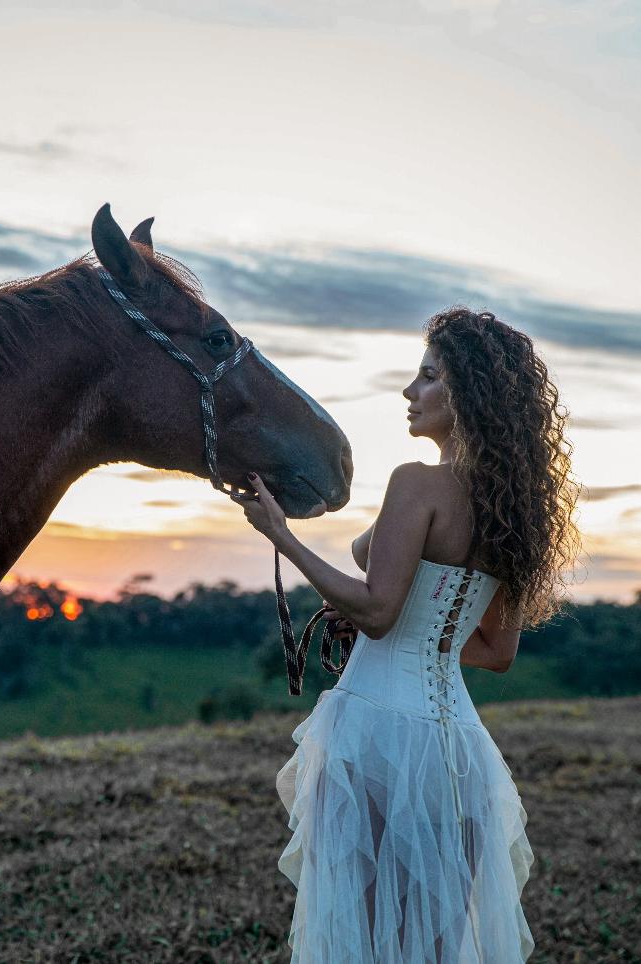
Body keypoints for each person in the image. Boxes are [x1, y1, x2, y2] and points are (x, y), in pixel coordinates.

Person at [229, 306, 581, 963]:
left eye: (427, 378)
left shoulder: (417, 484)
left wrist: (283, 536)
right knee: (440, 946)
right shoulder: (516, 512)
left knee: (362, 939)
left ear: (466, 393)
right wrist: (399, 634)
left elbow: (379, 607)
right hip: (463, 757)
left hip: (376, 738)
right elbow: (496, 653)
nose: (408, 393)